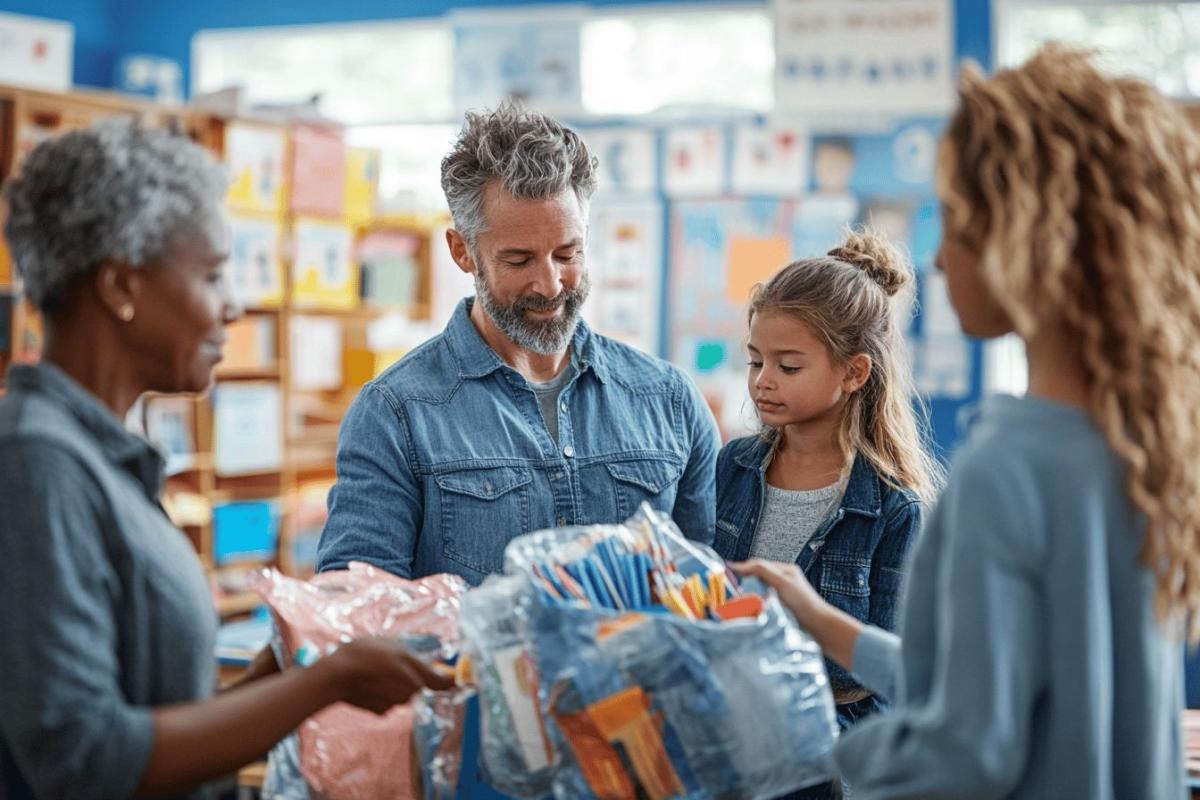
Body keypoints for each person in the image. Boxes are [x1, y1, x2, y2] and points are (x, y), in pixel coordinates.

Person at [737, 46, 1195, 798]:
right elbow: (978, 681)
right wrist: (819, 618)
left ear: (1022, 235)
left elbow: (964, 753)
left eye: (952, 219)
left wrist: (796, 751)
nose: (941, 260)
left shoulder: (1005, 470)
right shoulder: (1141, 447)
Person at [0, 120, 451, 800]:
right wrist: (319, 686)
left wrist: (291, 663)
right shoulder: (39, 464)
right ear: (121, 287)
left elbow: (155, 717)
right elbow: (85, 759)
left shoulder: (98, 456)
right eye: (212, 276)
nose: (234, 306)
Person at [317, 103, 719, 584]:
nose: (549, 284)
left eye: (567, 253)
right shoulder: (395, 414)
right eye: (519, 260)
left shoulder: (669, 400)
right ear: (462, 251)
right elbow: (360, 606)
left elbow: (715, 588)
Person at [714, 229, 939, 800]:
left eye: (788, 367)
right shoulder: (734, 467)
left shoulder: (894, 508)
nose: (763, 381)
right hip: (719, 739)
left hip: (826, 762)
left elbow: (891, 677)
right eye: (755, 360)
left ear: (854, 373)